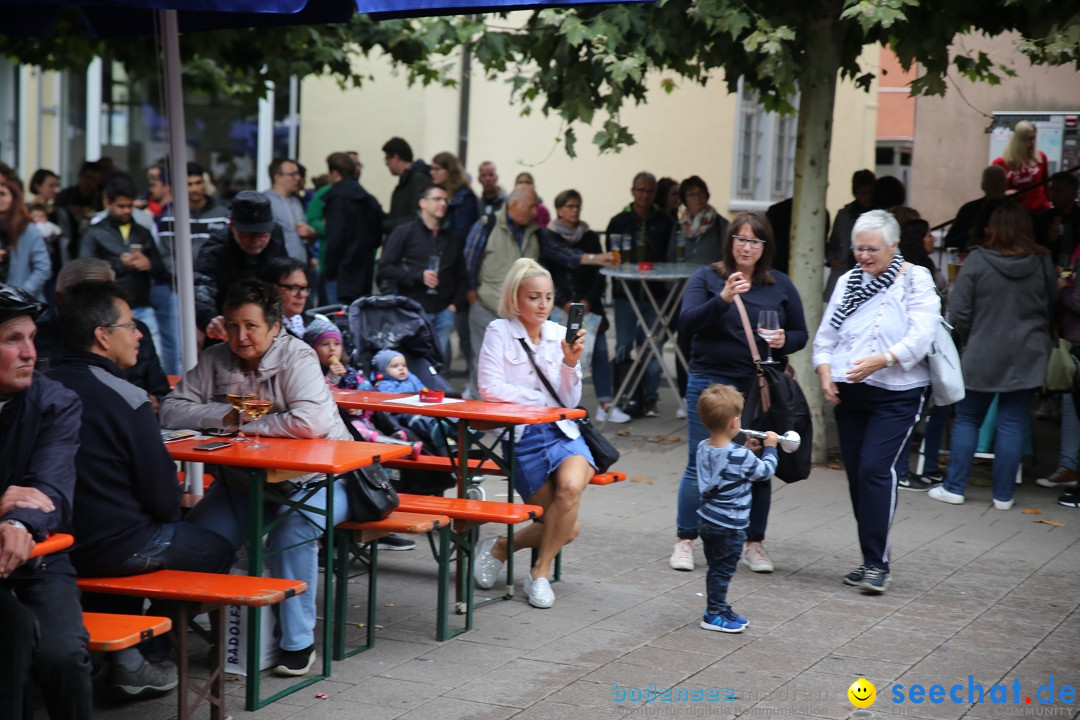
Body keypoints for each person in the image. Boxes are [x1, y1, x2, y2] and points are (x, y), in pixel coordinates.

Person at [48, 280, 234, 697]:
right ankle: (144, 656)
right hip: (112, 547)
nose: (139, 334)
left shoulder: (37, 387)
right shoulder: (126, 397)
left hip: (50, 545)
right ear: (102, 336)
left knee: (134, 539)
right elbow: (165, 500)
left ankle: (123, 656)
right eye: (130, 326)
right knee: (218, 548)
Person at [159, 278, 354, 676]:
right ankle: (169, 636)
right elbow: (171, 410)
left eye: (250, 326)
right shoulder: (216, 358)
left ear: (275, 326)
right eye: (231, 325)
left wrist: (245, 424)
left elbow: (312, 421)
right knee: (194, 540)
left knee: (290, 534)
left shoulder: (297, 356)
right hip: (245, 485)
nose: (239, 336)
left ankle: (298, 642)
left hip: (320, 481)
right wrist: (230, 418)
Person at [670, 211, 807, 574]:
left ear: (765, 247)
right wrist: (725, 298)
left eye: (755, 241)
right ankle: (685, 540)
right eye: (740, 239)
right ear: (730, 242)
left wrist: (783, 340)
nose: (746, 247)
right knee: (698, 461)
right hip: (710, 382)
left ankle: (754, 543)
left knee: (758, 462)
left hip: (757, 386)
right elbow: (687, 323)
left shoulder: (779, 285)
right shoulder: (707, 278)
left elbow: (800, 333)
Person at [813, 209, 940, 593]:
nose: (863, 257)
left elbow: (922, 335)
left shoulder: (916, 279)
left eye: (872, 249)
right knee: (857, 476)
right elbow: (826, 337)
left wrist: (883, 359)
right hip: (850, 391)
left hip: (897, 394)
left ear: (894, 247)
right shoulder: (848, 280)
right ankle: (870, 558)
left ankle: (877, 564)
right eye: (858, 249)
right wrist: (823, 372)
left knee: (874, 470)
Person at [474, 258, 594, 609]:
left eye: (548, 297)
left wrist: (571, 362)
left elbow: (570, 400)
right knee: (566, 528)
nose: (543, 305)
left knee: (570, 489)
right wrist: (539, 402)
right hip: (524, 437)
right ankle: (500, 546)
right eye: (534, 297)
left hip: (563, 432)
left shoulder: (560, 334)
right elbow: (489, 387)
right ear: (515, 300)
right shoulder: (499, 331)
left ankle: (538, 573)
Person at [0, 283, 93, 720]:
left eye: (32, 338)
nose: (29, 353)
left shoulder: (56, 401)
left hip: (38, 558)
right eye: (12, 339)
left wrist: (17, 523)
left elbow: (50, 488)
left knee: (62, 655)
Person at [928, 203, 1056, 511]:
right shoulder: (1042, 261)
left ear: (991, 228)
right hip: (1029, 353)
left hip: (982, 351)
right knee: (1012, 422)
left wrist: (971, 341)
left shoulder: (976, 261)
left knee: (969, 418)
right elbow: (1050, 302)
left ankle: (955, 487)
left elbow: (959, 313)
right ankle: (1003, 496)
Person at [693, 384, 778, 633]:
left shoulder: (702, 447)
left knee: (716, 566)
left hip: (708, 519)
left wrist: (744, 451)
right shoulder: (740, 457)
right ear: (733, 423)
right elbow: (765, 471)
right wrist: (771, 447)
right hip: (730, 525)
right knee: (723, 570)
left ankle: (719, 606)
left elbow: (726, 462)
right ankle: (714, 613)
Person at [36, 258, 171, 409]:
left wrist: (153, 402)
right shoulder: (35, 336)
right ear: (60, 298)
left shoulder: (136, 331)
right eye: (83, 299)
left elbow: (162, 393)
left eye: (102, 297)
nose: (93, 306)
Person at [542, 188, 628, 423]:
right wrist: (562, 301)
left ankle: (605, 403)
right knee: (560, 354)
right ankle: (557, 403)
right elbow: (548, 273)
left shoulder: (589, 236)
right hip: (561, 307)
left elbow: (600, 273)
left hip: (590, 305)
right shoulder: (549, 237)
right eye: (570, 206)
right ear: (559, 209)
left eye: (577, 206)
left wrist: (589, 299)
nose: (574, 210)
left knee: (600, 351)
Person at [605, 171, 676, 417]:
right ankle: (623, 397)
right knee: (624, 346)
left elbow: (671, 258)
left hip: (655, 295)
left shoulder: (666, 222)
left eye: (650, 191)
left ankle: (650, 400)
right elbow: (610, 257)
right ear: (632, 191)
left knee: (651, 348)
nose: (645, 195)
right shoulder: (619, 221)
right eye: (641, 190)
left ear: (656, 194)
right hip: (626, 295)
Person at [377, 183, 467, 357]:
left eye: (445, 200)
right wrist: (418, 275)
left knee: (438, 365)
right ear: (422, 203)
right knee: (412, 363)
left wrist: (454, 306)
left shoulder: (451, 238)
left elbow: (461, 276)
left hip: (444, 311)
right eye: (437, 199)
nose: (443, 203)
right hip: (413, 310)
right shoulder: (404, 232)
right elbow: (384, 269)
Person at [894, 219, 950, 492]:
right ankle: (902, 470)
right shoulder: (920, 271)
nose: (933, 238)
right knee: (915, 413)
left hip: (912, 352)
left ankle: (907, 469)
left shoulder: (910, 268)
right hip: (919, 352)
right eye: (929, 234)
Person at [78, 175, 163, 345]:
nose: (126, 211)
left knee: (153, 358)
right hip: (109, 311)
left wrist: (149, 264)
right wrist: (119, 265)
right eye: (121, 206)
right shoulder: (95, 232)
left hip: (142, 306)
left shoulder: (142, 232)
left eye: (129, 206)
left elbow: (161, 268)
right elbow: (85, 270)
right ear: (108, 203)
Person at [194, 190, 289, 339]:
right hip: (228, 329)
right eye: (247, 234)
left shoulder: (276, 235)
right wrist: (209, 319)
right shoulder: (215, 249)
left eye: (262, 234)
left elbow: (285, 276)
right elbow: (201, 287)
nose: (255, 241)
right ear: (232, 225)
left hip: (269, 325)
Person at [322, 152, 384, 304]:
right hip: (363, 273)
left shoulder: (338, 199)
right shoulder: (369, 200)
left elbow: (335, 240)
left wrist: (329, 271)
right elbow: (377, 238)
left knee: (336, 322)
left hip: (340, 274)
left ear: (334, 173)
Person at [824, 170, 875, 300]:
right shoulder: (844, 214)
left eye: (870, 192)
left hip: (871, 272)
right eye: (862, 193)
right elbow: (833, 242)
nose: (867, 197)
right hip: (844, 269)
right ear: (855, 193)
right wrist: (832, 260)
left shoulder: (879, 215)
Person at [0, 178, 52, 301]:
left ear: (14, 199)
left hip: (22, 306)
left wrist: (21, 294)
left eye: (2, 194)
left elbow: (43, 268)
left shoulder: (27, 229)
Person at [993, 120, 1052, 216]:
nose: (1032, 143)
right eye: (1028, 139)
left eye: (1034, 138)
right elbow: (993, 192)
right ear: (1018, 140)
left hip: (1040, 212)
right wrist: (1005, 194)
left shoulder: (1041, 158)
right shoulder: (1001, 163)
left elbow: (1046, 186)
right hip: (1014, 216)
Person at [943, 166, 1007, 250]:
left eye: (1000, 180)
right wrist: (969, 234)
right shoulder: (968, 209)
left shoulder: (1017, 211)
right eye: (990, 181)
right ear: (982, 186)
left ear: (1006, 184)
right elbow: (949, 241)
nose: (996, 185)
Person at [264, 158, 315, 262]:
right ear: (278, 177)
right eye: (292, 175)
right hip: (279, 268)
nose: (298, 178)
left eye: (298, 174)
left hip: (300, 267)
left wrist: (311, 234)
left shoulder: (296, 201)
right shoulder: (266, 201)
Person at [383, 137, 432, 233]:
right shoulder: (406, 181)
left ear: (396, 158)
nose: (386, 164)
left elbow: (418, 217)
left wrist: (385, 225)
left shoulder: (418, 180)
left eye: (387, 159)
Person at [430, 152, 479, 243]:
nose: (432, 172)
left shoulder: (465, 197)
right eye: (431, 169)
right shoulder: (434, 193)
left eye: (437, 169)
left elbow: (461, 233)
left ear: (449, 170)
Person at [1034, 171, 1080, 266]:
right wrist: (1048, 239)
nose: (1053, 195)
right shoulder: (1041, 220)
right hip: (1051, 270)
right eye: (1052, 190)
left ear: (1073, 193)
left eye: (1059, 190)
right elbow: (1034, 250)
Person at [261, 256, 311, 337]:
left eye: (304, 288)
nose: (301, 295)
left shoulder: (304, 323)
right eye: (293, 288)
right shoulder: (266, 330)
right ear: (273, 288)